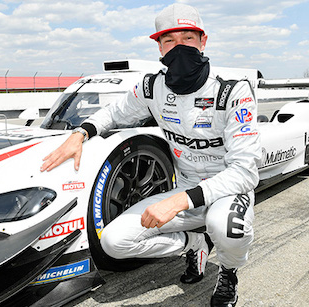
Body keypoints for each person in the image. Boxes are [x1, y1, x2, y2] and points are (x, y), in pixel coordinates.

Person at [40, 4, 261, 306]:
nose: (178, 47)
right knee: (113, 242)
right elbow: (115, 113)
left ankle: (228, 272)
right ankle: (193, 243)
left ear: (203, 41)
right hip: (184, 190)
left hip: (226, 192)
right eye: (169, 41)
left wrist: (178, 201)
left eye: (187, 38)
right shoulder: (152, 86)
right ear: (158, 46)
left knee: (229, 230)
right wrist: (81, 133)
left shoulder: (232, 90)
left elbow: (246, 172)